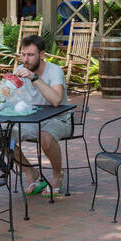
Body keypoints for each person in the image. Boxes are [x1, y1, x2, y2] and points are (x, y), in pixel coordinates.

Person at [9, 34, 70, 196]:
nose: (25, 60)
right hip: (31, 120)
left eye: (30, 55)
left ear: (42, 55)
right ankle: (30, 172)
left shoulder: (54, 71)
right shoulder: (19, 70)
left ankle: (57, 174)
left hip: (58, 119)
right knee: (1, 138)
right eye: (23, 54)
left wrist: (34, 78)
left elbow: (56, 100)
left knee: (46, 138)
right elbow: (6, 94)